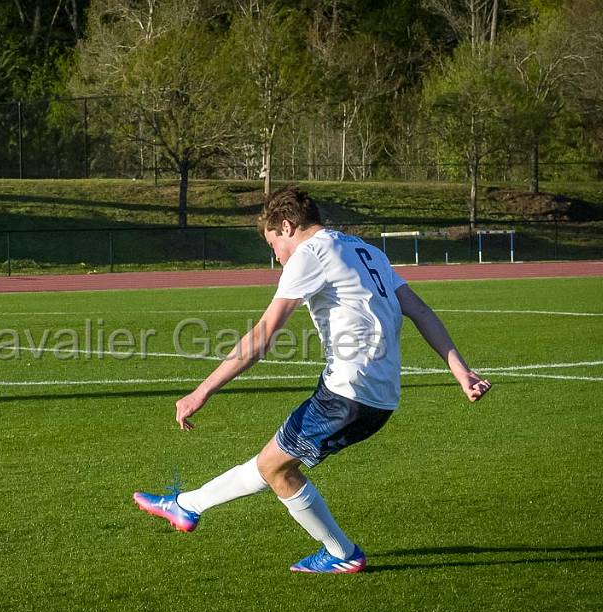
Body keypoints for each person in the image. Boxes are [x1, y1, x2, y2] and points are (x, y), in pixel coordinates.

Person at [133, 186, 492, 574]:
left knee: (277, 469)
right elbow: (419, 310)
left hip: (348, 393)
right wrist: (461, 370)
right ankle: (187, 506)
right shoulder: (366, 250)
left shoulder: (310, 253)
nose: (276, 256)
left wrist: (201, 391)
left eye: (274, 244)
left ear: (286, 227)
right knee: (273, 460)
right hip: (380, 396)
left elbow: (264, 334)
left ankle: (341, 552)